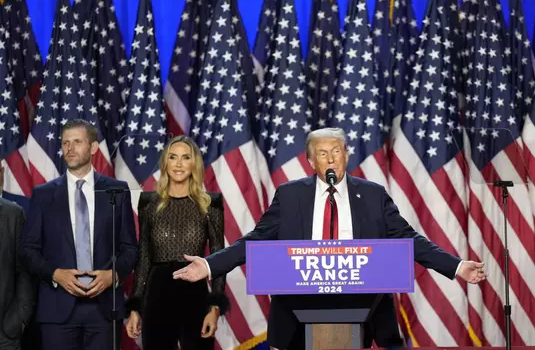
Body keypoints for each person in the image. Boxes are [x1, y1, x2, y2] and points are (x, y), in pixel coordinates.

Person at [173, 127, 486, 350]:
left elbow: (408, 238)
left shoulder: (373, 196)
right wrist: (210, 266)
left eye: (337, 151)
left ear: (346, 155)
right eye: (323, 154)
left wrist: (457, 266)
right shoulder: (291, 195)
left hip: (364, 306)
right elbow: (256, 240)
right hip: (299, 308)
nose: (331, 159)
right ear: (312, 162)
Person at [19, 119, 138, 350]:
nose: (70, 148)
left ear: (93, 147)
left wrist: (112, 276)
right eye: (65, 143)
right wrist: (56, 274)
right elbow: (27, 250)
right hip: (57, 309)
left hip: (104, 309)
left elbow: (130, 248)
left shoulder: (116, 190)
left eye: (77, 142)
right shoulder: (43, 195)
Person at [125, 136, 229, 350]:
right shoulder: (148, 203)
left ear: (194, 164)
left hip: (195, 295)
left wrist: (215, 308)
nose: (179, 164)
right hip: (158, 294)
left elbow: (219, 256)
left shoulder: (210, 203)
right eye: (173, 157)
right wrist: (135, 307)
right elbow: (144, 256)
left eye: (185, 158)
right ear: (165, 163)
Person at [0, 162, 36, 350]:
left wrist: (20, 319)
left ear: (2, 173)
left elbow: (25, 271)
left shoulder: (14, 214)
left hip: (5, 334)